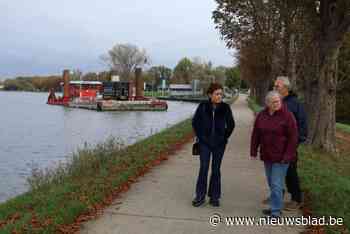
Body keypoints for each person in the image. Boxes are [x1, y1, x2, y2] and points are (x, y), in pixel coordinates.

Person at [251, 91, 298, 217]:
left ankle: (276, 212)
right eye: (275, 101)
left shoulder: (288, 116)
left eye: (279, 100)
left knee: (276, 183)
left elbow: (293, 138)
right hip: (267, 155)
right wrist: (253, 151)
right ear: (268, 103)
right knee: (272, 183)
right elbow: (256, 133)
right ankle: (274, 206)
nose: (278, 103)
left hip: (282, 157)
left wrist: (287, 156)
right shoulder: (262, 115)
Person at [192, 83, 235, 207]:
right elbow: (195, 122)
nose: (219, 96)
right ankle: (200, 196)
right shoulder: (203, 106)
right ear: (210, 94)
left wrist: (224, 138)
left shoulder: (225, 108)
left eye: (221, 94)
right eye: (217, 94)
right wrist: (201, 137)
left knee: (216, 169)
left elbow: (231, 125)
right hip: (204, 143)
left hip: (219, 144)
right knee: (204, 168)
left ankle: (214, 196)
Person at [273, 76, 307, 211]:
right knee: (275, 173)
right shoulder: (276, 101)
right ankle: (277, 196)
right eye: (274, 86)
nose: (275, 88)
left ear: (286, 88)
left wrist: (296, 141)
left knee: (290, 172)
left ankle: (296, 199)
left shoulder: (295, 103)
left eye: (277, 86)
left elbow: (302, 125)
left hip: (289, 145)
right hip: (275, 145)